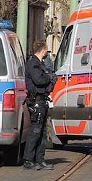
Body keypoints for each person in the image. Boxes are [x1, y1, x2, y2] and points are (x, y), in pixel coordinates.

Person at [23, 40, 57, 170]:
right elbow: (39, 80)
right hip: (36, 101)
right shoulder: (33, 64)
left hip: (42, 100)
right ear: (43, 50)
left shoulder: (39, 64)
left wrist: (49, 78)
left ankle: (39, 159)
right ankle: (28, 159)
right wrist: (49, 78)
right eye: (46, 50)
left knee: (42, 132)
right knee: (35, 130)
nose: (46, 53)